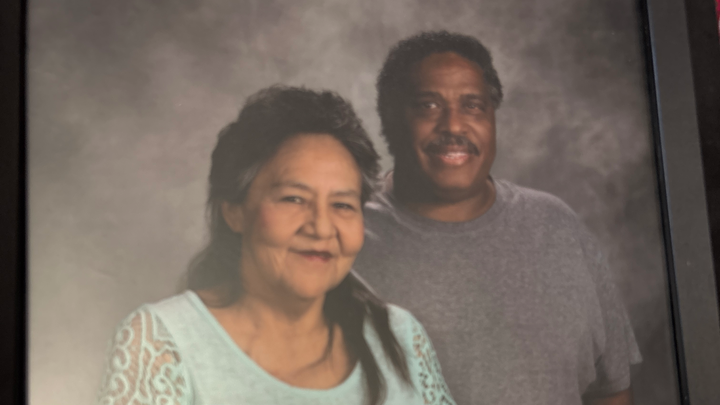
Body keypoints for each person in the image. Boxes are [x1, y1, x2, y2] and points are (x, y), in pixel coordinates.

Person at [96, 86, 456, 405]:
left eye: (343, 204)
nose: (321, 227)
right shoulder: (161, 342)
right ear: (234, 211)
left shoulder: (400, 337)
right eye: (293, 199)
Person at [353, 31, 643, 405]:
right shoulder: (344, 235)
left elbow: (611, 390)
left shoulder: (558, 226)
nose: (453, 126)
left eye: (473, 105)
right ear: (389, 119)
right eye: (428, 105)